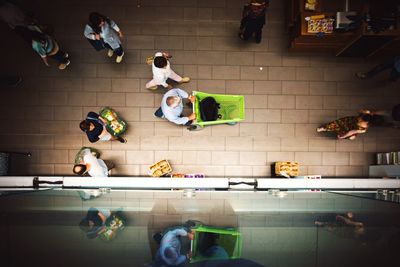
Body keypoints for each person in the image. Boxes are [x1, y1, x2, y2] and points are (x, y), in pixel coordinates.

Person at [316, 110, 381, 140]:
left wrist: (343, 136)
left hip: (349, 128)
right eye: (361, 118)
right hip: (347, 121)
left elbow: (351, 132)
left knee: (347, 136)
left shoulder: (363, 129)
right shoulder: (365, 113)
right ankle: (324, 128)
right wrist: (364, 112)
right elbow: (359, 111)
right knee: (333, 124)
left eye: (362, 120)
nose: (360, 120)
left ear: (367, 123)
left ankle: (350, 137)